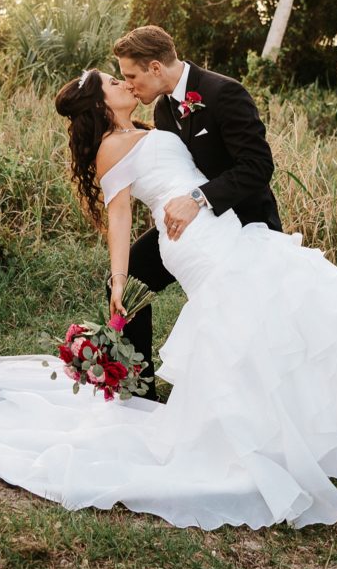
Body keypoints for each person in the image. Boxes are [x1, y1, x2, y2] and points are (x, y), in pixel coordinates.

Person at [0, 64, 337, 531]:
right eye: (114, 83)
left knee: (280, 287)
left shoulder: (151, 122)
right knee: (280, 280)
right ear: (102, 104)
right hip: (192, 239)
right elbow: (119, 218)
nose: (125, 84)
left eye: (125, 77)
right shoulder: (110, 149)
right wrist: (118, 280)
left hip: (217, 219)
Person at [111, 25, 283, 401]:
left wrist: (199, 198)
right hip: (191, 225)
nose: (129, 85)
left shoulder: (224, 93)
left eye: (131, 76)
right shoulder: (162, 107)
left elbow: (258, 166)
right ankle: (139, 392)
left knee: (265, 316)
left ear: (155, 67)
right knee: (131, 278)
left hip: (244, 219)